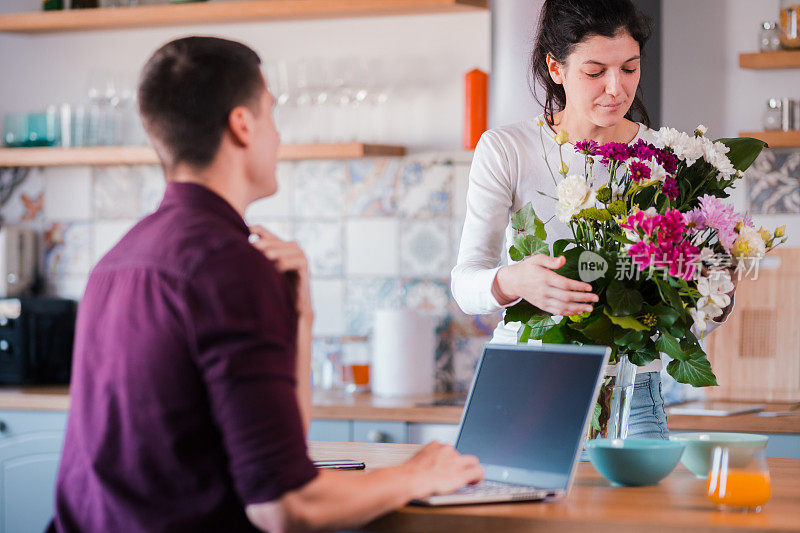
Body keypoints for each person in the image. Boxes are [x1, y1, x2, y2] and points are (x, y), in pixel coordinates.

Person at [50, 36, 483, 533]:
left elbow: (279, 459)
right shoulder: (228, 266)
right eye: (271, 116)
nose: (276, 137)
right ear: (242, 124)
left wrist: (301, 317)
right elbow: (286, 506)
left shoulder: (117, 259)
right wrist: (416, 476)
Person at [451, 0, 735, 440]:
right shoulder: (507, 149)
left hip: (632, 389)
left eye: (629, 68)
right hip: (528, 383)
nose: (616, 89)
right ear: (556, 67)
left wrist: (716, 295)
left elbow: (684, 314)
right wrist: (516, 281)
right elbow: (465, 284)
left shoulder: (669, 158)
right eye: (595, 71)